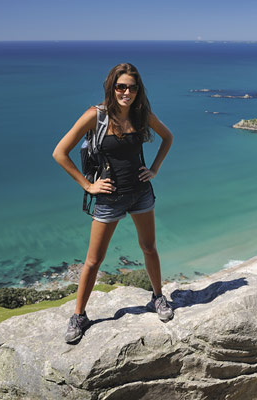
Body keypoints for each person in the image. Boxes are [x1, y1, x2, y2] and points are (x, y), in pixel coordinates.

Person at [53, 63, 174, 343]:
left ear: (138, 90)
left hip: (141, 193)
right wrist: (88, 185)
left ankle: (158, 298)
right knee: (94, 261)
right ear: (112, 87)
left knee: (149, 248)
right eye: (121, 87)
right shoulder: (96, 116)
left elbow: (168, 137)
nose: (127, 92)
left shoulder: (141, 115)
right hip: (108, 198)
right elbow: (59, 153)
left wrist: (154, 169)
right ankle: (79, 315)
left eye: (132, 87)